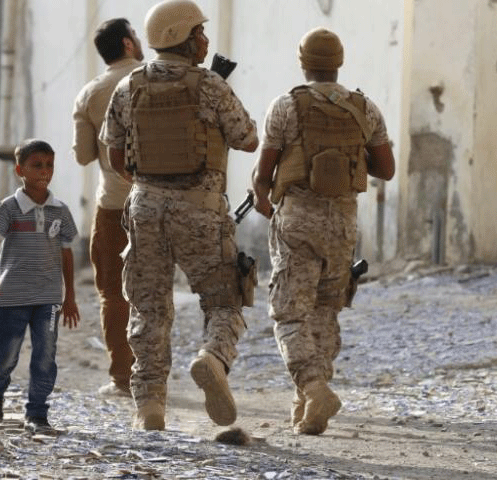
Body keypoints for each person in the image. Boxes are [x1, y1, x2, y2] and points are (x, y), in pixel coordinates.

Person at [100, 0, 259, 430]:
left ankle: (150, 405)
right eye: (199, 32)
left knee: (149, 308)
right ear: (181, 38)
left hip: (145, 208)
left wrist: (147, 184)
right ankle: (213, 358)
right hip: (201, 210)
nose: (206, 40)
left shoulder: (127, 87)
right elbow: (248, 139)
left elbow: (116, 155)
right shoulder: (210, 86)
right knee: (225, 299)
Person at [251, 27, 395, 435]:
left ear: (303, 63)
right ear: (339, 63)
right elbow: (386, 169)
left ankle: (314, 389)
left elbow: (264, 173)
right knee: (325, 311)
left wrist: (264, 199)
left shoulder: (285, 107)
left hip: (297, 221)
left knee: (288, 313)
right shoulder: (365, 109)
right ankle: (308, 406)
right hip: (342, 224)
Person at [0, 138, 81, 434]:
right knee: (6, 352)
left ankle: (37, 411)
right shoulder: (9, 208)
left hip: (48, 297)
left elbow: (67, 253)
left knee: (45, 353)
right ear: (20, 170)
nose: (44, 171)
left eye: (49, 165)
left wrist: (69, 296)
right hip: (11, 295)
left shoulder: (60, 210)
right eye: (37, 165)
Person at [72, 18, 144, 398]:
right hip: (160, 201)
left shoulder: (91, 93)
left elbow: (84, 155)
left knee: (114, 293)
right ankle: (154, 376)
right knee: (156, 291)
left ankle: (122, 376)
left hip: (114, 204)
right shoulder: (158, 77)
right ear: (128, 44)